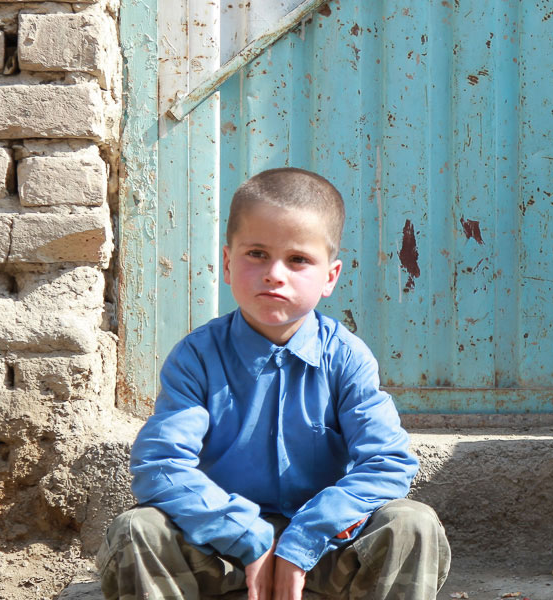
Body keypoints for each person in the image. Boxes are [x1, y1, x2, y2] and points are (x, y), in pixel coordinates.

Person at [96, 167, 450, 600]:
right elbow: (160, 466)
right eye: (257, 254)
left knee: (412, 524)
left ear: (330, 277)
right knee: (139, 529)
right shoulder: (197, 358)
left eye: (298, 259)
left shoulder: (346, 357)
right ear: (227, 263)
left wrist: (303, 539)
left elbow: (388, 463)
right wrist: (246, 535)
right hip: (222, 552)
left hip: (324, 553)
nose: (274, 274)